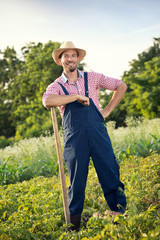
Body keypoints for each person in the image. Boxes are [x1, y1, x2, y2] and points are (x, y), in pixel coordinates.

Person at [42, 41, 127, 231]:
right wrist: (75, 97)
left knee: (110, 172)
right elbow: (47, 101)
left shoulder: (93, 78)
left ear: (78, 58)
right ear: (60, 60)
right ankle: (74, 225)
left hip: (97, 133)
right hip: (75, 138)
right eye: (66, 56)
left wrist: (106, 111)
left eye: (73, 55)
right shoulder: (56, 86)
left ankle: (120, 213)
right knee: (76, 180)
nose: (70, 59)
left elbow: (121, 85)